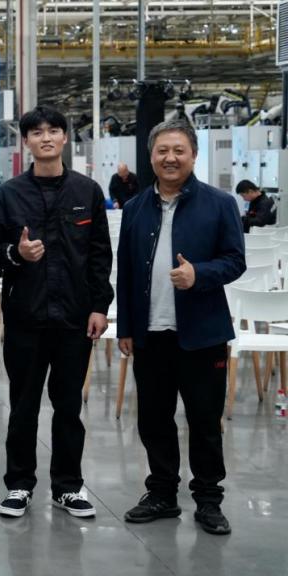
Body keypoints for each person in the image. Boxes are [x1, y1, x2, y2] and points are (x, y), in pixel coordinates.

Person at [118, 119, 244, 536]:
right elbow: (127, 271)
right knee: (154, 418)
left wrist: (199, 274)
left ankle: (208, 499)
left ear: (193, 155)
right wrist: (126, 326)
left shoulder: (219, 203)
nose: (170, 158)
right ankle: (162, 493)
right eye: (162, 151)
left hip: (202, 334)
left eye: (179, 150)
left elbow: (235, 260)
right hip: (150, 333)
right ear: (151, 156)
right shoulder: (135, 208)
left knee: (204, 420)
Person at [0, 105, 113, 519]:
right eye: (37, 132)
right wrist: (17, 253)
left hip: (74, 319)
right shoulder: (9, 195)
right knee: (22, 406)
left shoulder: (87, 192)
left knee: (69, 407)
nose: (46, 137)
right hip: (25, 318)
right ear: (25, 141)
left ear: (64, 137)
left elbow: (100, 255)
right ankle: (19, 485)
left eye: (53, 130)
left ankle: (68, 487)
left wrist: (100, 306)